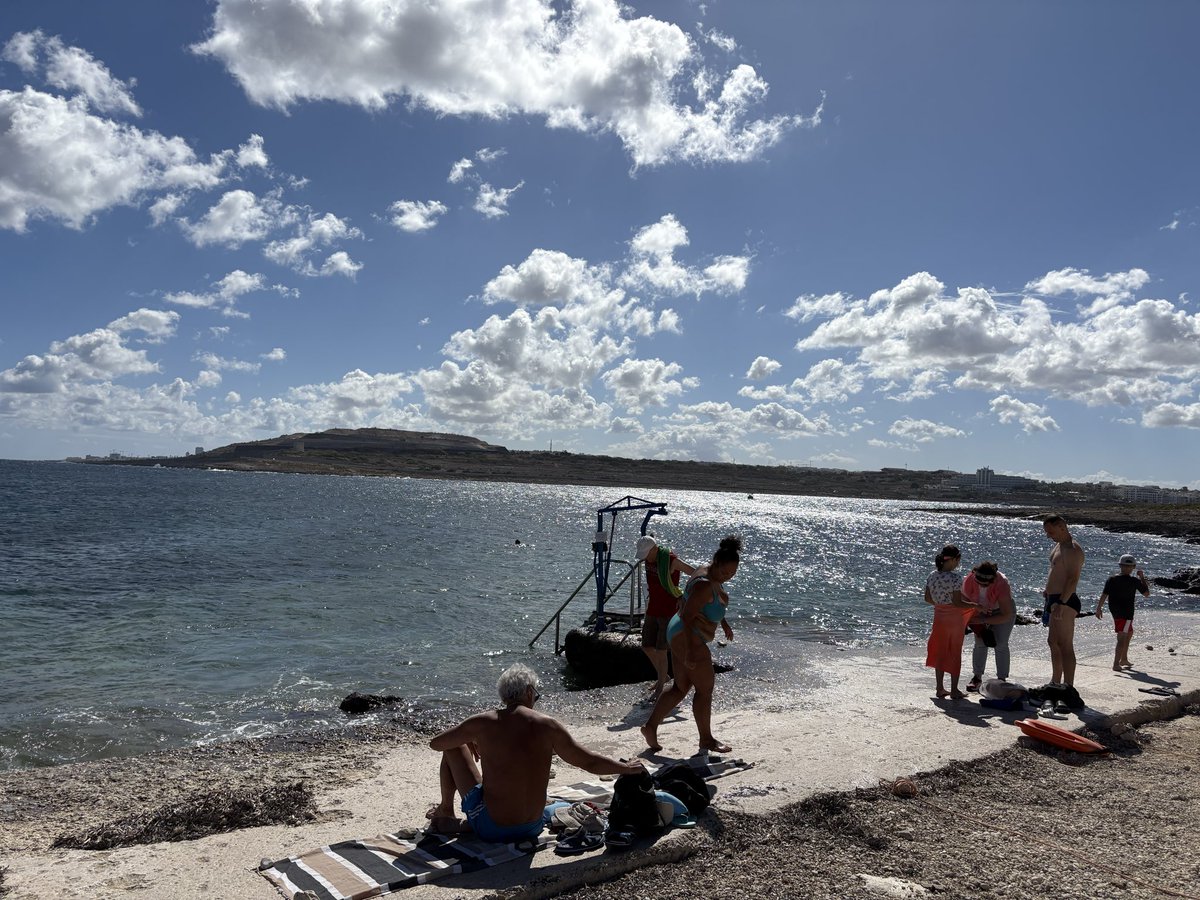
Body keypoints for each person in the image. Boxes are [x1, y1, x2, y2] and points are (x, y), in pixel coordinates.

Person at [427, 663, 644, 841]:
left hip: (491, 828)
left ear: (504, 696)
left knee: (453, 746)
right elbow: (589, 762)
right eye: (536, 696)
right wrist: (625, 768)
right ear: (529, 692)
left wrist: (471, 736)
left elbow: (436, 743)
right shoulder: (549, 726)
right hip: (532, 827)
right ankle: (459, 822)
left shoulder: (484, 722)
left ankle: (446, 810)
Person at [640, 535, 741, 755]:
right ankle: (706, 740)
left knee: (680, 687)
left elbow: (703, 607)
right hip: (688, 636)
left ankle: (650, 727)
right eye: (725, 572)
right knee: (705, 690)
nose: (728, 577)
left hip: (677, 632)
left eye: (732, 574)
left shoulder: (704, 572)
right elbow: (687, 615)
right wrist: (688, 653)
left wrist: (723, 623)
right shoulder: (705, 585)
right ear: (715, 563)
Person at [635, 535, 696, 703]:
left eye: (646, 553)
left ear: (655, 549)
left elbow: (695, 573)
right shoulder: (648, 559)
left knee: (661, 650)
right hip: (652, 609)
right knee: (647, 646)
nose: (645, 558)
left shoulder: (671, 560)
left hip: (668, 611)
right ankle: (664, 677)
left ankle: (661, 687)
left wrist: (684, 596)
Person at [923, 544, 978, 699]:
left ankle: (940, 688)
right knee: (954, 652)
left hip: (939, 616)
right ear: (954, 559)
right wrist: (975, 606)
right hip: (954, 619)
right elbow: (958, 603)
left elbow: (927, 598)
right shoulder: (955, 578)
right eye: (958, 560)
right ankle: (954, 690)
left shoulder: (932, 575)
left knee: (940, 651)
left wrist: (941, 606)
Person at [1042, 514, 1086, 687]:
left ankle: (1068, 685)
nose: (1048, 536)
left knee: (1065, 644)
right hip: (1053, 599)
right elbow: (1056, 571)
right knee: (1053, 642)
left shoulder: (1072, 549)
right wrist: (1048, 591)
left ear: (1062, 526)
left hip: (1065, 601)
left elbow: (1073, 579)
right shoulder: (1058, 546)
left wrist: (1061, 602)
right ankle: (1055, 681)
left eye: (1051, 532)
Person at [962, 560, 1016, 691]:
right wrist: (967, 621)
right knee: (980, 643)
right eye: (978, 582)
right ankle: (977, 677)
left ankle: (1001, 679)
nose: (981, 585)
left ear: (992, 580)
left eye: (985, 584)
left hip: (1001, 611)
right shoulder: (969, 580)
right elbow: (964, 603)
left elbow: (1006, 614)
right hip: (979, 610)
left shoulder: (1001, 582)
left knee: (1001, 644)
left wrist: (984, 620)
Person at [1095, 553, 1150, 671]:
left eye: (1128, 566)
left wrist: (1099, 608)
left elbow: (1105, 594)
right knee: (1122, 637)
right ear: (1121, 566)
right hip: (1126, 613)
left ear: (1132, 567)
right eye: (1125, 566)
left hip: (1116, 611)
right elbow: (1146, 594)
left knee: (1129, 632)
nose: (1126, 568)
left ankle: (1124, 659)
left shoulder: (1112, 579)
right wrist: (1141, 577)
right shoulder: (1134, 580)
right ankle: (1116, 664)